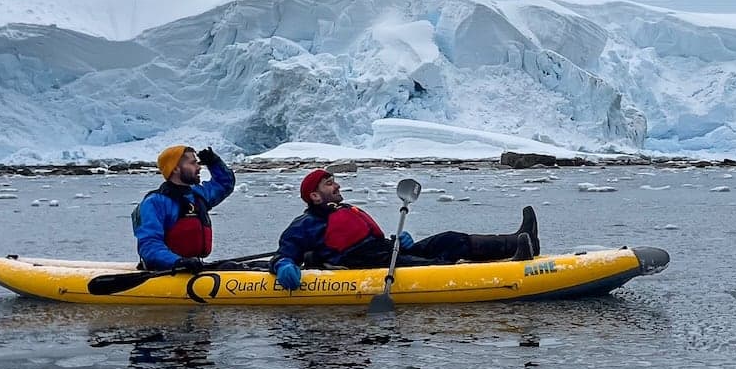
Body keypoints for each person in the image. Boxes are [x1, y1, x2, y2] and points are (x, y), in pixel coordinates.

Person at [271, 169, 540, 290]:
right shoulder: (305, 225)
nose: (337, 186)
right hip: (366, 265)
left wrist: (398, 241)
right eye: (329, 184)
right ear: (315, 196)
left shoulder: (344, 210)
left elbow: (371, 239)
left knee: (449, 240)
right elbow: (285, 253)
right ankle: (512, 268)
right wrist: (283, 265)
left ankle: (517, 242)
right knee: (432, 264)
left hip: (385, 252)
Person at [133, 145, 236, 271]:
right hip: (165, 271)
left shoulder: (198, 196)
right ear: (176, 168)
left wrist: (214, 162)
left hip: (193, 266)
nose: (199, 168)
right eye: (193, 163)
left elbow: (225, 184)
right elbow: (149, 245)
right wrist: (178, 262)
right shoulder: (154, 202)